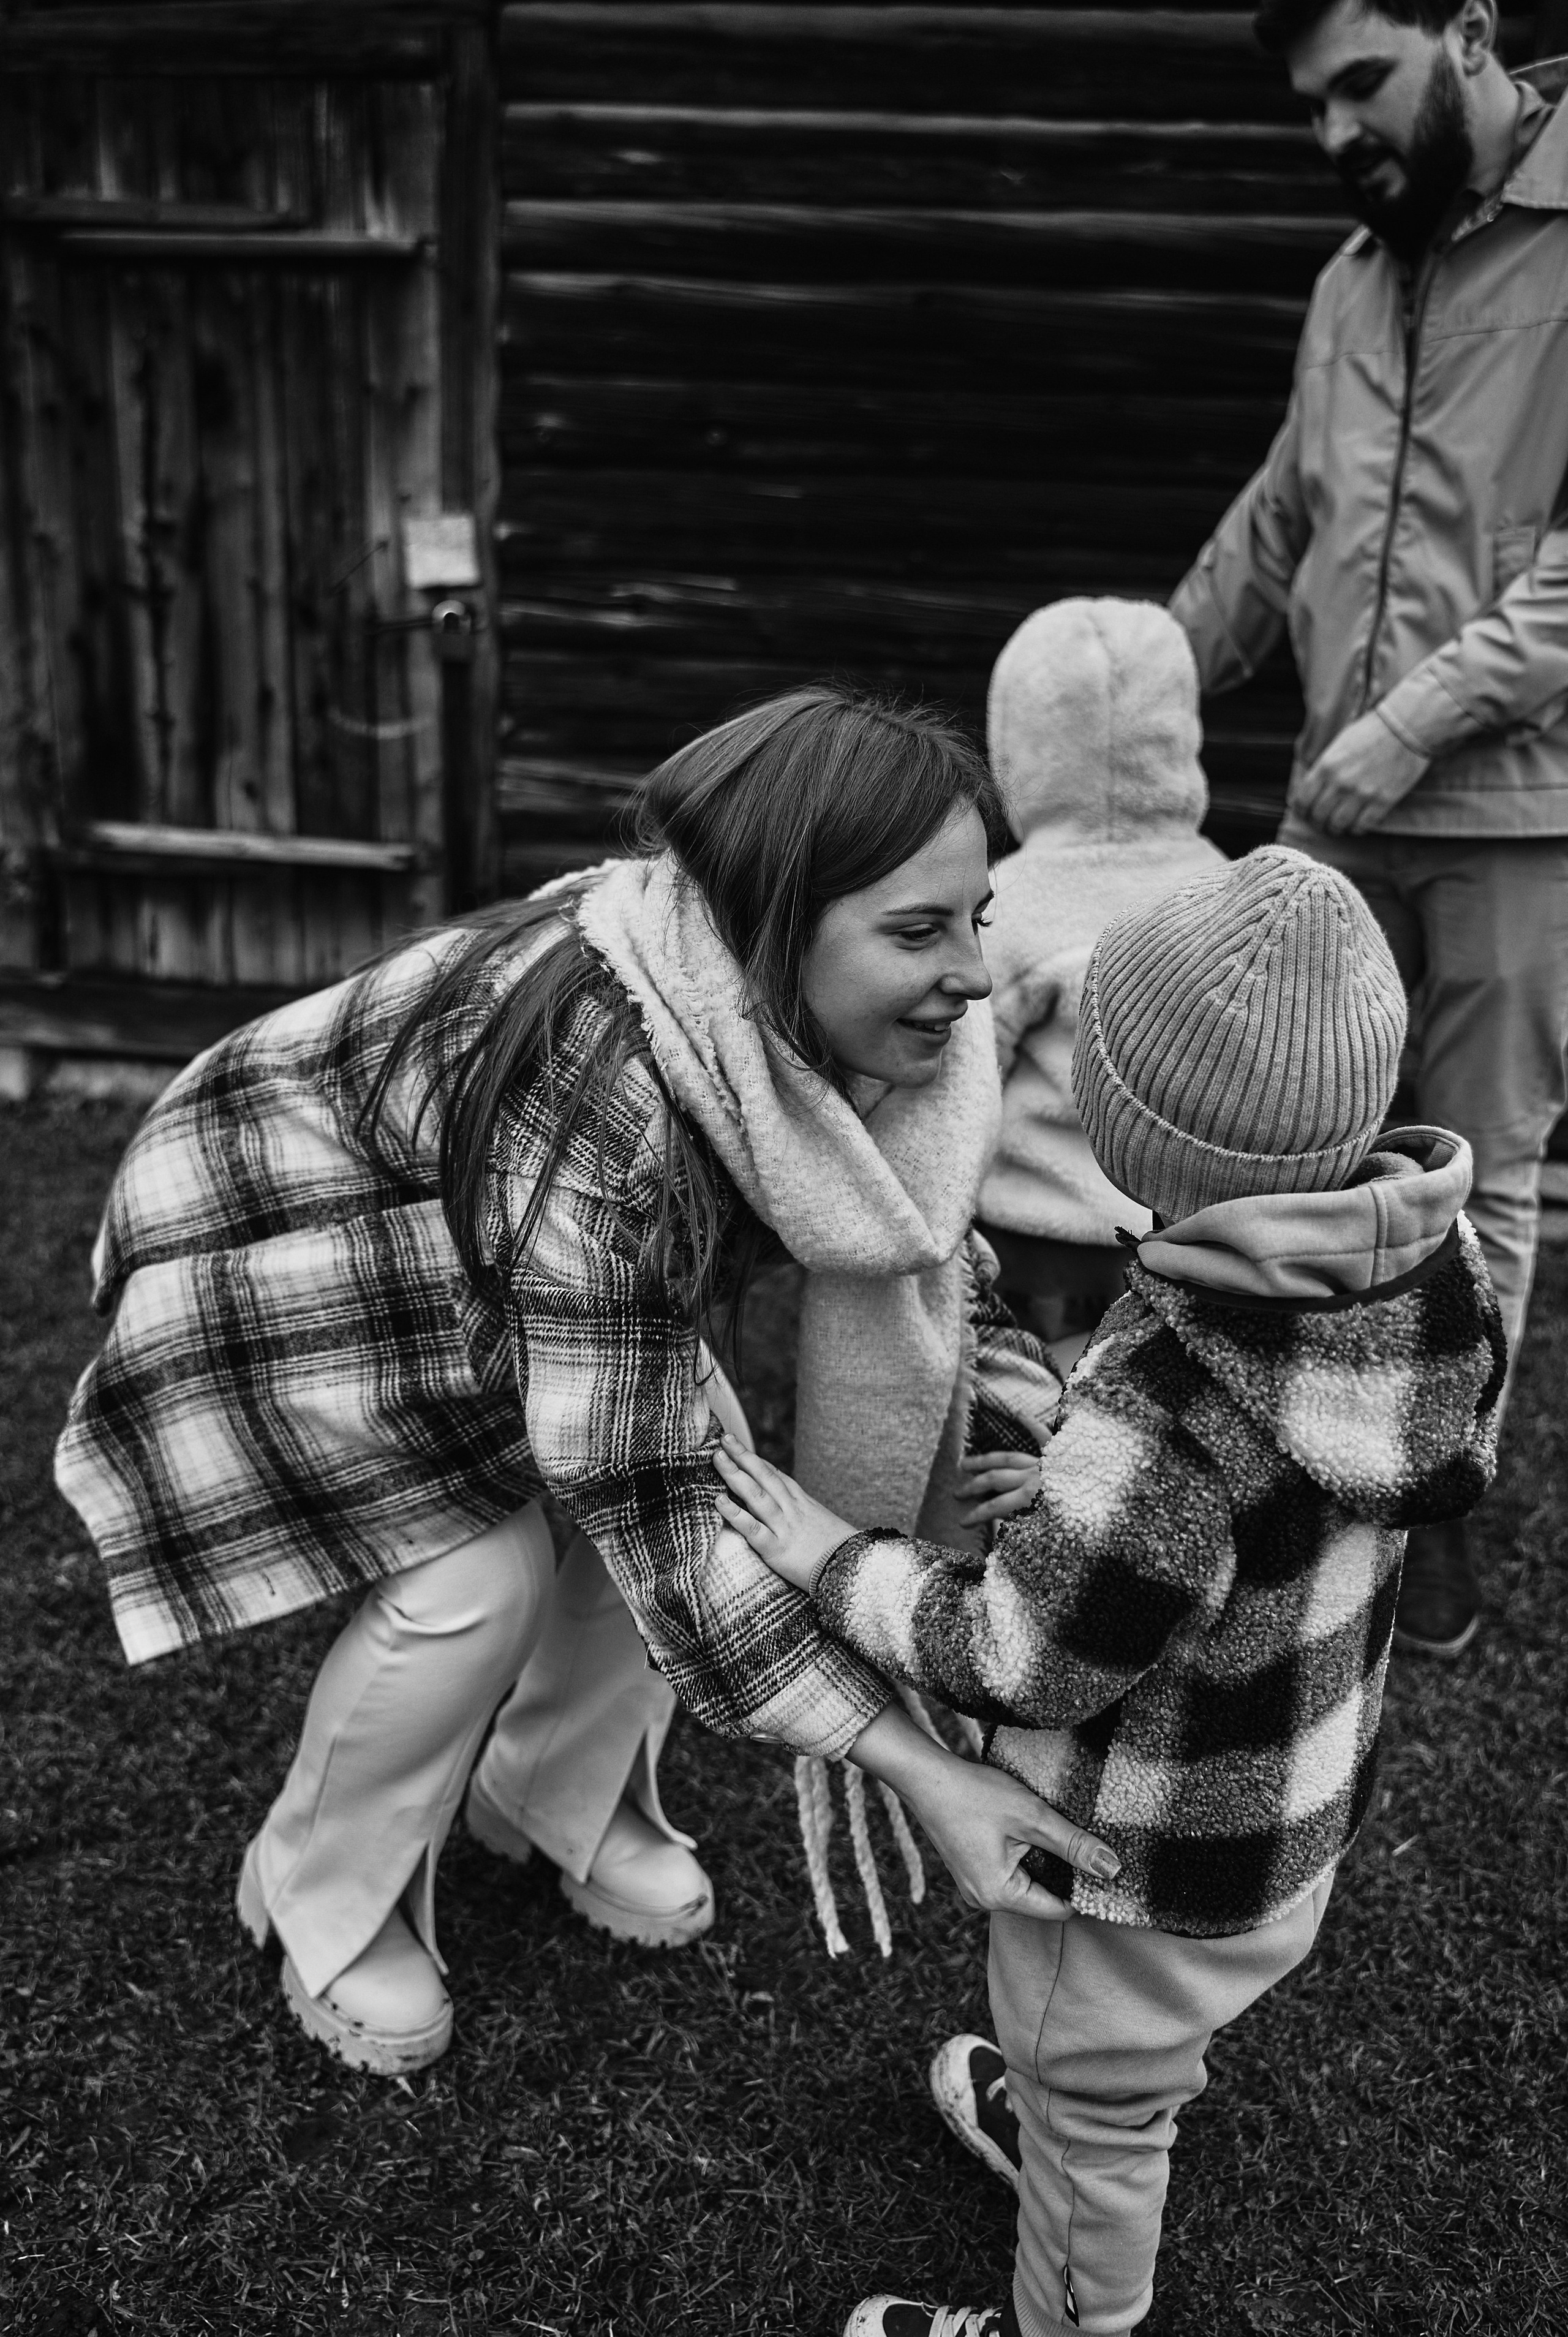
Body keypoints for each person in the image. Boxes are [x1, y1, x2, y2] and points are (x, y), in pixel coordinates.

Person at [54, 687, 1110, 2077]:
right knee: (470, 1578)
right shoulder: (604, 1096)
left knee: (708, 1485)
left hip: (512, 1263)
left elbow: (928, 1243)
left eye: (973, 913)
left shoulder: (859, 1022)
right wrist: (923, 1768)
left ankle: (544, 1795)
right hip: (282, 1250)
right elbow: (653, 1505)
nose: (972, 973)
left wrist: (1010, 1404)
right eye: (914, 930)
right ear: (769, 928)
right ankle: (314, 1894)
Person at [714, 847, 1506, 2337]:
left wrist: (831, 1549)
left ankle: (1067, 2277)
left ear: (1127, 1125)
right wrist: (1078, 1453)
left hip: (1130, 1862)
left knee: (1097, 2103)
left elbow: (1020, 1656)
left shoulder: (1166, 1407)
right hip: (1285, 1805)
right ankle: (1091, 2098)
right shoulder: (1413, 1266)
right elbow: (1240, 1502)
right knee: (1133, 2049)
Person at [1168, 0, 1568, 1657]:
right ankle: (1289, 1461)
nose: (1337, 135)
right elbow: (1279, 524)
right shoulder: (1348, 282)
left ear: (1469, 29)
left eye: (1362, 86)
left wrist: (1402, 735)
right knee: (1291, 1135)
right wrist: (1117, 691)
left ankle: (1440, 1495)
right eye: (1312, 110)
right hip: (1335, 814)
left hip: (1515, 822)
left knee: (1481, 1173)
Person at [976, 597, 1226, 1370]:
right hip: (1191, 1241)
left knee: (1015, 1432)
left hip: (1034, 1247)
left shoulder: (1001, 905)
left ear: (1019, 744)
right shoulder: (1228, 890)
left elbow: (961, 1089)